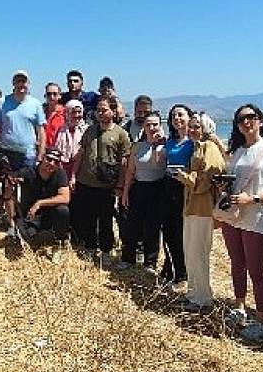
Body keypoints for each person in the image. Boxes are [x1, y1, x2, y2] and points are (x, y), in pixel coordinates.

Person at [217, 104, 263, 337]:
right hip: (233, 215)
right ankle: (239, 306)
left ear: (261, 120)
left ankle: (260, 318)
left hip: (257, 217)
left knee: (257, 270)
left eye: (250, 117)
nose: (246, 122)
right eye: (241, 119)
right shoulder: (237, 151)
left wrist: (254, 199)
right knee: (237, 263)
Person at [69, 95, 131, 262]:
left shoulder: (121, 134)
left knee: (105, 220)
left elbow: (124, 162)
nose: (101, 113)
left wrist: (120, 185)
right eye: (98, 110)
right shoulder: (90, 130)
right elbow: (81, 154)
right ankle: (90, 247)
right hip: (86, 182)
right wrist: (73, 176)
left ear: (113, 111)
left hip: (106, 186)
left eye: (104, 110)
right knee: (88, 218)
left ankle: (105, 250)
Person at [175, 112, 225, 310]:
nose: (192, 130)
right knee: (190, 251)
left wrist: (185, 178)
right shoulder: (198, 147)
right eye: (191, 126)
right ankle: (193, 293)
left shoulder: (209, 148)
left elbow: (208, 178)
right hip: (192, 206)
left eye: (197, 126)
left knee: (198, 253)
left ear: (206, 128)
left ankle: (202, 297)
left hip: (202, 207)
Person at [0, 70, 46, 237]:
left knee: (28, 190)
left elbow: (41, 131)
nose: (21, 84)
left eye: (23, 81)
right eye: (18, 81)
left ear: (28, 84)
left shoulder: (35, 104)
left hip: (28, 155)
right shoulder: (2, 102)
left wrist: (40, 155)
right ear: (13, 83)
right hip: (7, 155)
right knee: (7, 189)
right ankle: (11, 223)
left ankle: (26, 224)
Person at [118, 111, 167, 273]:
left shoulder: (165, 146)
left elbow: (156, 164)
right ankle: (128, 258)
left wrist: (155, 145)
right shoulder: (137, 146)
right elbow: (130, 171)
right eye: (148, 125)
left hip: (157, 188)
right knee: (131, 224)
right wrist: (125, 192)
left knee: (152, 226)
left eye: (155, 124)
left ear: (160, 125)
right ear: (143, 127)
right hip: (138, 187)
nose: (152, 128)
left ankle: (150, 262)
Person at [159, 104, 194, 287]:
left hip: (185, 188)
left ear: (189, 118)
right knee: (169, 230)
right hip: (168, 187)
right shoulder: (169, 141)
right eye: (173, 116)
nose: (177, 118)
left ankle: (184, 273)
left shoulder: (194, 142)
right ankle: (172, 268)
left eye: (180, 115)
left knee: (183, 231)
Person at [16, 147, 71, 245]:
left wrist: (40, 203)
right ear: (42, 158)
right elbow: (11, 179)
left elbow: (65, 198)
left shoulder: (60, 174)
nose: (52, 163)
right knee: (30, 240)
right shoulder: (28, 172)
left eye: (56, 162)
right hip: (31, 215)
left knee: (63, 210)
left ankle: (60, 240)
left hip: (50, 214)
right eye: (49, 159)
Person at [54, 100, 88, 178]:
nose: (77, 115)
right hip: (63, 167)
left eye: (79, 112)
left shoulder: (86, 130)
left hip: (82, 168)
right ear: (67, 113)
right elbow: (56, 148)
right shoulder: (61, 130)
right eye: (73, 112)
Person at [43, 82, 67, 147]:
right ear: (45, 96)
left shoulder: (65, 113)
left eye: (55, 94)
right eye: (49, 94)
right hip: (42, 149)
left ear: (59, 96)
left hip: (58, 150)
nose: (52, 97)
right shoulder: (40, 113)